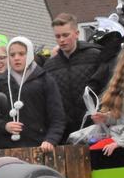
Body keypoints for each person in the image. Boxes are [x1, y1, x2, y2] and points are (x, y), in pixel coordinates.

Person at [0, 36, 65, 151]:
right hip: (9, 149)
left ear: (29, 55)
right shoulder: (0, 82)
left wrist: (51, 139)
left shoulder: (45, 79)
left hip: (40, 146)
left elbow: (57, 116)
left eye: (21, 54)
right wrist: (4, 126)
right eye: (12, 55)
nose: (16, 58)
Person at [42, 13, 107, 143]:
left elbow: (105, 87)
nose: (61, 40)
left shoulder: (95, 56)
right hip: (64, 131)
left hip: (93, 125)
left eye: (65, 35)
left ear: (77, 33)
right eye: (57, 36)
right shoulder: (49, 66)